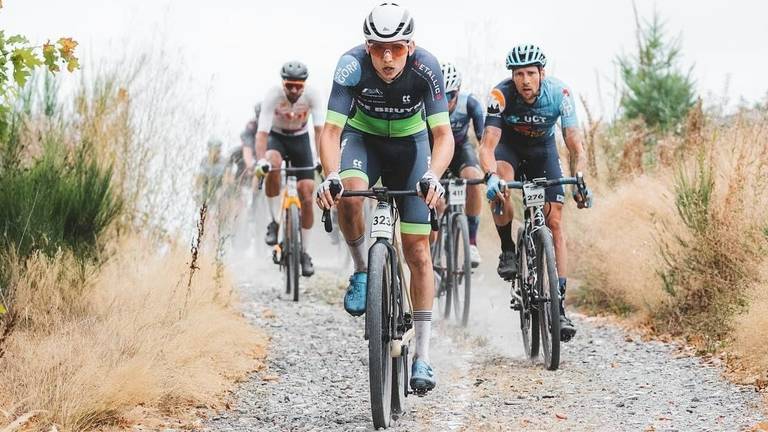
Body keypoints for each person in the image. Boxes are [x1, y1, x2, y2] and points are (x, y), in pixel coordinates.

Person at [315, 2, 454, 393]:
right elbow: (330, 131)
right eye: (378, 47)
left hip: (412, 148)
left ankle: (423, 356)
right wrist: (330, 175)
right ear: (367, 45)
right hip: (364, 141)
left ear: (410, 46)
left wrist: (433, 174)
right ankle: (362, 269)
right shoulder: (350, 65)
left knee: (418, 251)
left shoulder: (427, 67)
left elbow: (443, 135)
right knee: (350, 196)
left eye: (395, 47)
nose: (387, 57)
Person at [478, 44, 592, 342]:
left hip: (543, 152)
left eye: (531, 73)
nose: (525, 80)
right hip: (509, 150)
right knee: (502, 184)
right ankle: (507, 249)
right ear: (512, 77)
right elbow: (488, 145)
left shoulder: (560, 94)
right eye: (519, 74)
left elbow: (574, 143)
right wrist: (490, 177)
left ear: (542, 73)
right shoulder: (499, 95)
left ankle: (560, 305)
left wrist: (579, 179)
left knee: (554, 224)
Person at [245, 63, 324, 277]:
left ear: (304, 85)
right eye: (290, 86)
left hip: (300, 141)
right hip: (277, 138)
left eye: (299, 86)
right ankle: (274, 221)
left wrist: (321, 159)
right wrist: (261, 160)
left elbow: (319, 132)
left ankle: (305, 253)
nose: (295, 91)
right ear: (283, 83)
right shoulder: (273, 96)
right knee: (272, 164)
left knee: (307, 192)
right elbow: (262, 134)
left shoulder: (312, 96)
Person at [434, 62, 485, 267]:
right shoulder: (424, 105)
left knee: (473, 178)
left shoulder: (469, 104)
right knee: (436, 201)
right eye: (440, 96)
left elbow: (483, 140)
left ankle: (471, 241)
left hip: (460, 150)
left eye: (450, 95)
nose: (445, 102)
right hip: (434, 152)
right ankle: (433, 250)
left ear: (458, 91)